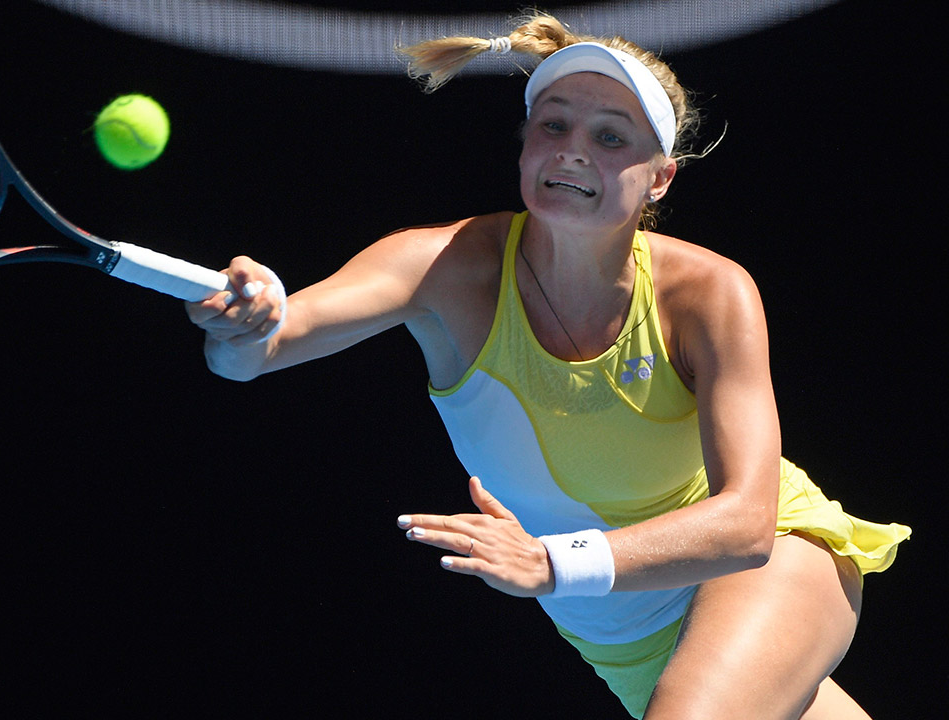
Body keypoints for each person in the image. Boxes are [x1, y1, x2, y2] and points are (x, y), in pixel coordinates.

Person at [184, 11, 910, 719]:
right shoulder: (440, 266)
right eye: (554, 125)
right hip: (625, 642)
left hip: (767, 565)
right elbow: (257, 352)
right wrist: (247, 322)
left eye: (609, 137)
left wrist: (553, 564)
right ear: (526, 144)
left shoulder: (710, 294)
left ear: (660, 179)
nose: (572, 149)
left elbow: (748, 525)